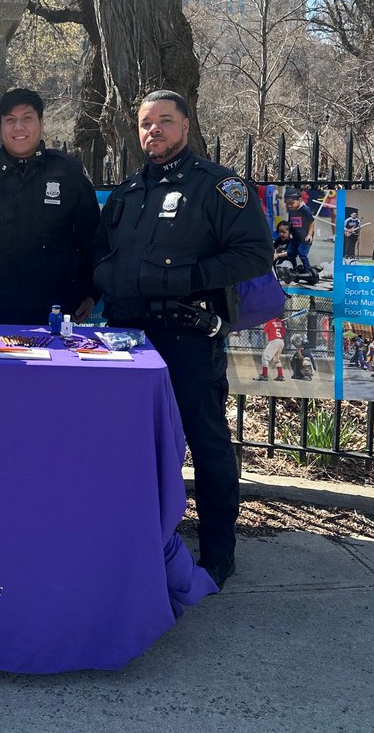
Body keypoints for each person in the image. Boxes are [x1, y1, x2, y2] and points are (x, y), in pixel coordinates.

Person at [92, 90, 271, 590]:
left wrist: (185, 277)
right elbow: (101, 253)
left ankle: (218, 550)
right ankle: (139, 536)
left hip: (188, 338)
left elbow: (254, 255)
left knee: (207, 443)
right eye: (146, 124)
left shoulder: (218, 187)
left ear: (186, 126)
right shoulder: (127, 193)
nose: (155, 131)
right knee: (132, 444)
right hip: (129, 339)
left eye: (165, 122)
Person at [0, 88, 100, 324]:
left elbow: (93, 238)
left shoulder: (70, 174)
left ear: (41, 123)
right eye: (10, 120)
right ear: (0, 127)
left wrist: (92, 293)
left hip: (58, 313)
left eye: (27, 118)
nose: (19, 128)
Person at [283, 188, 315, 276]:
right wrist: (289, 233)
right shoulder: (291, 209)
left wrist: (309, 235)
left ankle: (308, 271)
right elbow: (290, 222)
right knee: (290, 252)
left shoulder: (305, 210)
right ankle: (294, 268)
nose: (289, 206)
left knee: (302, 253)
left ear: (300, 200)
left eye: (291, 203)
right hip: (295, 235)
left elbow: (312, 222)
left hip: (305, 236)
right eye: (287, 204)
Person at [258, 317, 286, 381]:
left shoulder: (270, 321)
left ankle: (264, 375)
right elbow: (284, 333)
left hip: (274, 341)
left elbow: (264, 331)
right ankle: (280, 375)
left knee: (265, 358)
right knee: (276, 359)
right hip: (281, 341)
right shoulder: (281, 322)